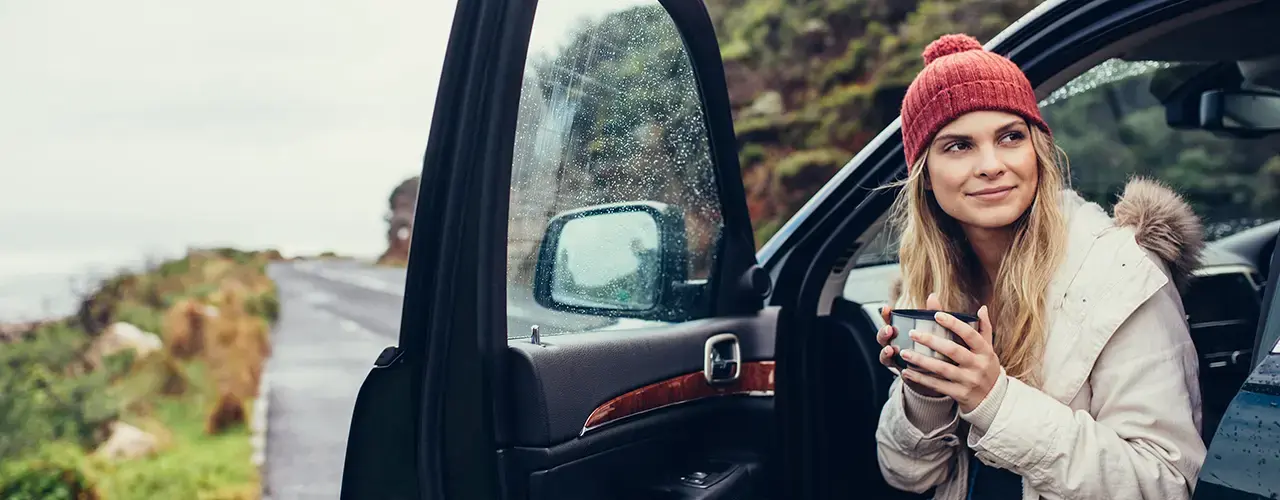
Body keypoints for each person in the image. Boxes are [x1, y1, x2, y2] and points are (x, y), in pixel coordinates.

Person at [873, 33, 1208, 499]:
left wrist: (995, 402)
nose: (991, 165)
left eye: (1011, 137)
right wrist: (927, 395)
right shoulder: (930, 282)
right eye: (958, 146)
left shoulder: (1119, 272)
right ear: (925, 175)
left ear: (1038, 151)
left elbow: (1163, 484)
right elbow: (907, 476)